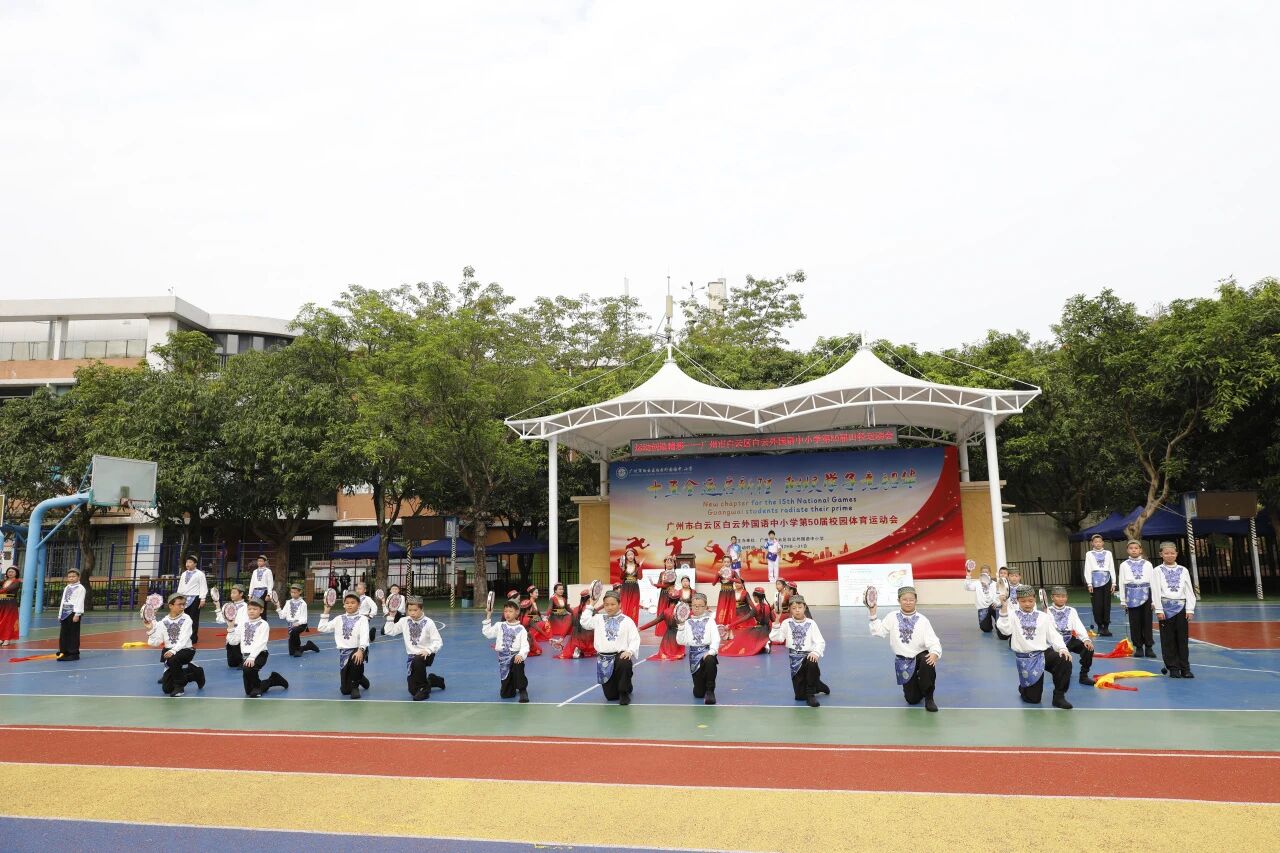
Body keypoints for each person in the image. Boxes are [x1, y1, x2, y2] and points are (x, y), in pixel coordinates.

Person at [996, 585, 1073, 709]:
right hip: (1026, 658)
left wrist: (1062, 648)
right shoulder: (1012, 615)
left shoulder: (1043, 617)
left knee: (1064, 659)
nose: (1027, 604)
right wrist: (1004, 609)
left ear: (1035, 599)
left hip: (1043, 653)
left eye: (1030, 600)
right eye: (1023, 601)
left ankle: (1059, 697)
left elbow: (1053, 634)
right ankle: (1024, 688)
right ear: (1018, 600)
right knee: (1033, 699)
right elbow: (1005, 631)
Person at [867, 587, 940, 711]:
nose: (908, 602)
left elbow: (934, 642)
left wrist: (935, 653)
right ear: (898, 600)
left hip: (919, 656)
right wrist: (873, 613)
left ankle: (929, 697)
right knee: (912, 700)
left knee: (927, 660)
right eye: (904, 599)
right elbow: (879, 631)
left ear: (916, 601)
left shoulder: (923, 620)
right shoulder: (892, 617)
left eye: (911, 599)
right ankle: (919, 685)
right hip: (903, 661)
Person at [581, 589, 641, 705]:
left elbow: (635, 638)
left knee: (625, 663)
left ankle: (624, 691)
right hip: (604, 659)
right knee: (611, 697)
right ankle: (626, 685)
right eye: (606, 605)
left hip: (620, 656)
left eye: (613, 604)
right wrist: (591, 605)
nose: (609, 607)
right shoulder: (598, 619)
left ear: (619, 604)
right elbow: (584, 622)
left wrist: (629, 651)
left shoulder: (627, 621)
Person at [768, 596, 828, 707]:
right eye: (794, 608)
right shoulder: (786, 623)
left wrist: (815, 652)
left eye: (800, 607)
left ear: (804, 607)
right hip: (794, 659)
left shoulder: (811, 623)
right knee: (800, 697)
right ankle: (818, 685)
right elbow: (776, 638)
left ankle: (811, 694)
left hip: (808, 656)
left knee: (811, 662)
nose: (797, 610)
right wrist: (777, 619)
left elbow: (820, 642)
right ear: (790, 609)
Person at [144, 593, 206, 697]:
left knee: (173, 659)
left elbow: (184, 639)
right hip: (170, 652)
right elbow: (155, 642)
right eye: (179, 604)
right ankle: (194, 673)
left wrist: (173, 650)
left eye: (183, 604)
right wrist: (150, 630)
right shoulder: (163, 622)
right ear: (171, 606)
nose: (182, 607)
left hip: (185, 650)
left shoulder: (187, 619)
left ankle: (180, 687)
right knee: (167, 689)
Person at [385, 595, 444, 700]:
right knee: (412, 690)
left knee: (418, 660)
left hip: (427, 654)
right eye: (410, 610)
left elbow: (438, 641)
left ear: (422, 609)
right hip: (412, 657)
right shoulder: (404, 621)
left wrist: (428, 650)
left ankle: (423, 689)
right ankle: (434, 680)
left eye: (415, 610)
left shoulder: (429, 622)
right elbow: (390, 631)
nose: (412, 613)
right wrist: (390, 617)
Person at [1152, 541, 1197, 679]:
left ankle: (1185, 668)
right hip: (1165, 608)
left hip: (1181, 607)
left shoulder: (1183, 570)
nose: (1169, 555)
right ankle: (1173, 668)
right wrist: (1158, 609)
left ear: (1176, 554)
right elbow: (1155, 590)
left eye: (1172, 553)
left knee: (1182, 639)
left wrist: (1190, 609)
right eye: (1166, 553)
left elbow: (1189, 590)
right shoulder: (1157, 570)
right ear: (1161, 554)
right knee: (1168, 639)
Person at [317, 591, 371, 699]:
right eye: (347, 603)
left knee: (356, 659)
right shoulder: (339, 619)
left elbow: (364, 636)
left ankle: (355, 687)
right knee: (345, 691)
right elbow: (321, 628)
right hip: (344, 652)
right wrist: (326, 611)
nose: (350, 605)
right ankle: (361, 678)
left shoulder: (363, 619)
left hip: (358, 649)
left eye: (353, 602)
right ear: (344, 605)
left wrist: (361, 650)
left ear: (359, 605)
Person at [674, 592, 720, 704]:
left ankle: (710, 691)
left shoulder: (710, 621)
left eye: (700, 606)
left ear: (705, 607)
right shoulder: (687, 622)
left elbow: (716, 638)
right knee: (698, 694)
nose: (697, 608)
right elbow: (681, 641)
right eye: (694, 605)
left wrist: (711, 651)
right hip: (694, 656)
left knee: (710, 660)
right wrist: (681, 626)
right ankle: (702, 687)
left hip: (706, 653)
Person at [239, 598, 289, 698]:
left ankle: (257, 688)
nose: (251, 611)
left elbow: (262, 642)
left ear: (261, 610)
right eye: (249, 609)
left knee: (248, 669)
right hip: (246, 655)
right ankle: (273, 680)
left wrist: (252, 657)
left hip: (260, 654)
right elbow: (240, 638)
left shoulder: (263, 624)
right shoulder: (244, 623)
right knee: (249, 691)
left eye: (255, 609)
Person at [482, 599, 530, 702]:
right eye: (505, 611)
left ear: (517, 612)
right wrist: (488, 615)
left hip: (515, 656)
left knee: (518, 664)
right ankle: (512, 685)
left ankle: (522, 690)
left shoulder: (521, 629)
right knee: (506, 694)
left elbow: (525, 646)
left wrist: (520, 655)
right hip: (503, 658)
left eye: (510, 611)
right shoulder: (500, 625)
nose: (507, 613)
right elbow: (487, 633)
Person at [1047, 586, 1096, 686]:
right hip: (1054, 642)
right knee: (1062, 660)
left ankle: (1084, 676)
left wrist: (1086, 639)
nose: (1061, 599)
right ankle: (1060, 674)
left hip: (1069, 639)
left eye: (1063, 596)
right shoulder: (1046, 611)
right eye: (1058, 596)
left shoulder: (1071, 610)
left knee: (1088, 649)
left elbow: (1078, 625)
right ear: (1052, 597)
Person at [1118, 540, 1156, 658]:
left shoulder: (1147, 564)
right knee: (1134, 622)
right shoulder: (1124, 565)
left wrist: (1154, 600)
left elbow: (1153, 582)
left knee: (1147, 621)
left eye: (1136, 548)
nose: (1134, 550)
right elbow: (1121, 582)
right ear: (1127, 550)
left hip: (1146, 593)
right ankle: (1138, 647)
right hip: (1131, 595)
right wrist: (1123, 600)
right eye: (1131, 548)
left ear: (1140, 550)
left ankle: (1149, 647)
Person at [719, 587, 774, 656]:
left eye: (753, 597)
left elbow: (744, 618)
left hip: (760, 630)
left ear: (756, 597)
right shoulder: (768, 606)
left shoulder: (756, 608)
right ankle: (766, 642)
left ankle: (764, 642)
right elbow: (773, 619)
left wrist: (730, 625)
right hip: (768, 629)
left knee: (743, 635)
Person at [637, 586, 685, 661]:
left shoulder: (665, 612)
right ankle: (678, 653)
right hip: (679, 637)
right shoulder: (682, 610)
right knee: (678, 652)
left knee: (666, 653)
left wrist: (640, 628)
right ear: (679, 599)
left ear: (668, 599)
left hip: (668, 636)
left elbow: (654, 622)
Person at [1083, 535, 1117, 635]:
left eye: (1099, 541)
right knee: (1097, 604)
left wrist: (1114, 582)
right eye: (1095, 542)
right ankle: (1099, 626)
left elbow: (1111, 568)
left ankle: (1106, 626)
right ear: (1092, 543)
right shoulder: (1089, 554)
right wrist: (1089, 583)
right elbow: (1087, 568)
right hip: (1095, 581)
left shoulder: (1108, 553)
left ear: (1103, 543)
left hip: (1107, 579)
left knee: (1106, 604)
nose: (1098, 543)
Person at [276, 582, 320, 657]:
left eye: (295, 592)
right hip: (290, 625)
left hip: (301, 625)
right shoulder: (288, 602)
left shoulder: (303, 604)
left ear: (300, 592)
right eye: (291, 592)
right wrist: (278, 608)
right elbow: (282, 616)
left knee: (294, 631)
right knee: (292, 653)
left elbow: (304, 619)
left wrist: (298, 623)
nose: (293, 594)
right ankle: (308, 646)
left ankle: (298, 649)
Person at [175, 555, 208, 645]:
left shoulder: (200, 574)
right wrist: (178, 598)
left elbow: (203, 586)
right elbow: (180, 586)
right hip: (184, 598)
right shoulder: (184, 574)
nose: (187, 564)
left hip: (195, 598)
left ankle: (193, 638)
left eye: (190, 562)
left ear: (195, 564)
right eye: (187, 562)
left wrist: (202, 599)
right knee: (183, 618)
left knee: (193, 618)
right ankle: (183, 637)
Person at [555, 589, 597, 659]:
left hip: (576, 638)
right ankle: (585, 650)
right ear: (589, 599)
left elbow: (569, 625)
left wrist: (562, 638)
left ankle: (578, 648)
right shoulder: (592, 610)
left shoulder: (575, 609)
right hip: (588, 638)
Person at [216, 584, 249, 667]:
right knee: (232, 664)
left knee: (243, 665)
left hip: (241, 638)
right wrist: (217, 606)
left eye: (234, 593)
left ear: (241, 594)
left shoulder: (246, 607)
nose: (232, 595)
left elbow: (245, 624)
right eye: (231, 593)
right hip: (231, 636)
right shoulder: (228, 606)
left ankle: (246, 657)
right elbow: (220, 620)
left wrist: (236, 634)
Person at [56, 569, 85, 661]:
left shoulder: (80, 588)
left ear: (78, 577)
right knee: (64, 633)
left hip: (73, 612)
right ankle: (64, 651)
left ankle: (73, 653)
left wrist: (77, 614)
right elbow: (63, 601)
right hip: (65, 612)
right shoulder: (67, 587)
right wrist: (60, 614)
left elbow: (80, 601)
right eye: (69, 577)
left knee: (73, 633)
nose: (71, 578)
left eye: (73, 576)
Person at [963, 569, 1000, 634]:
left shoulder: (994, 584)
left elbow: (998, 595)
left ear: (990, 573)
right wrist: (968, 575)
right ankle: (988, 624)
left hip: (993, 606)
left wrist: (996, 603)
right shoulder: (977, 583)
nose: (985, 573)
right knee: (985, 629)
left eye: (986, 572)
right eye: (983, 572)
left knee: (1000, 626)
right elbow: (967, 587)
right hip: (983, 608)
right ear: (981, 574)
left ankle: (998, 624)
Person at [618, 549, 642, 625]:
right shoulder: (623, 565)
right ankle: (624, 624)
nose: (630, 556)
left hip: (635, 588)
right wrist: (622, 569)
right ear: (626, 556)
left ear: (634, 555)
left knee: (634, 606)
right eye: (628, 555)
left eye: (632, 554)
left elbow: (640, 577)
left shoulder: (637, 566)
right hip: (625, 588)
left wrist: (640, 568)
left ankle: (633, 624)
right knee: (625, 605)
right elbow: (621, 577)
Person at [355, 581, 379, 653]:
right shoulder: (355, 598)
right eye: (357, 589)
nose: (358, 590)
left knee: (362, 634)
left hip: (364, 618)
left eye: (360, 589)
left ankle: (370, 636)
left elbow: (374, 607)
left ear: (365, 590)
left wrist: (370, 615)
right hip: (355, 618)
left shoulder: (367, 598)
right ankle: (370, 634)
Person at [714, 556, 737, 625]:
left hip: (731, 592)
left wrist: (731, 579)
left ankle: (730, 624)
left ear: (731, 563)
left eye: (728, 562)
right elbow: (713, 583)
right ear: (722, 562)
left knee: (731, 608)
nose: (726, 563)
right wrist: (718, 575)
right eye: (725, 562)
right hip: (723, 593)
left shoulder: (733, 572)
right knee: (722, 607)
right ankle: (721, 624)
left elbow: (740, 581)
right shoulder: (720, 572)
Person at [0, 566, 20, 646]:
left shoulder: (17, 582)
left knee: (8, 621)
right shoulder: (5, 581)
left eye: (12, 572)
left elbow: (7, 589)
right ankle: (1, 638)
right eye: (9, 572)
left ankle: (7, 639)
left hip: (10, 603)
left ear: (16, 573)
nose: (10, 573)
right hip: (2, 603)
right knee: (1, 620)